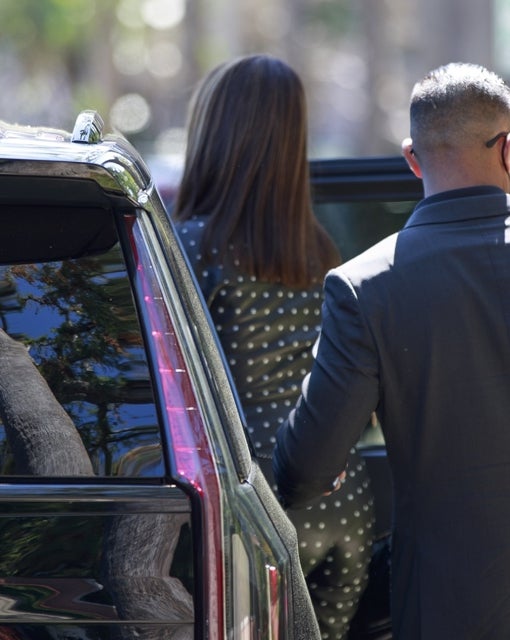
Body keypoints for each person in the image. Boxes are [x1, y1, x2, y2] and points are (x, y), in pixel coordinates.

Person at [273, 61, 510, 639]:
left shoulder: (365, 286)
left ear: (412, 158)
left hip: (449, 607)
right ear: (508, 151)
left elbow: (305, 468)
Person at [173, 54, 374, 639]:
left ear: (214, 136)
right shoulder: (326, 255)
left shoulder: (191, 248)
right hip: (345, 500)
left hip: (250, 502)